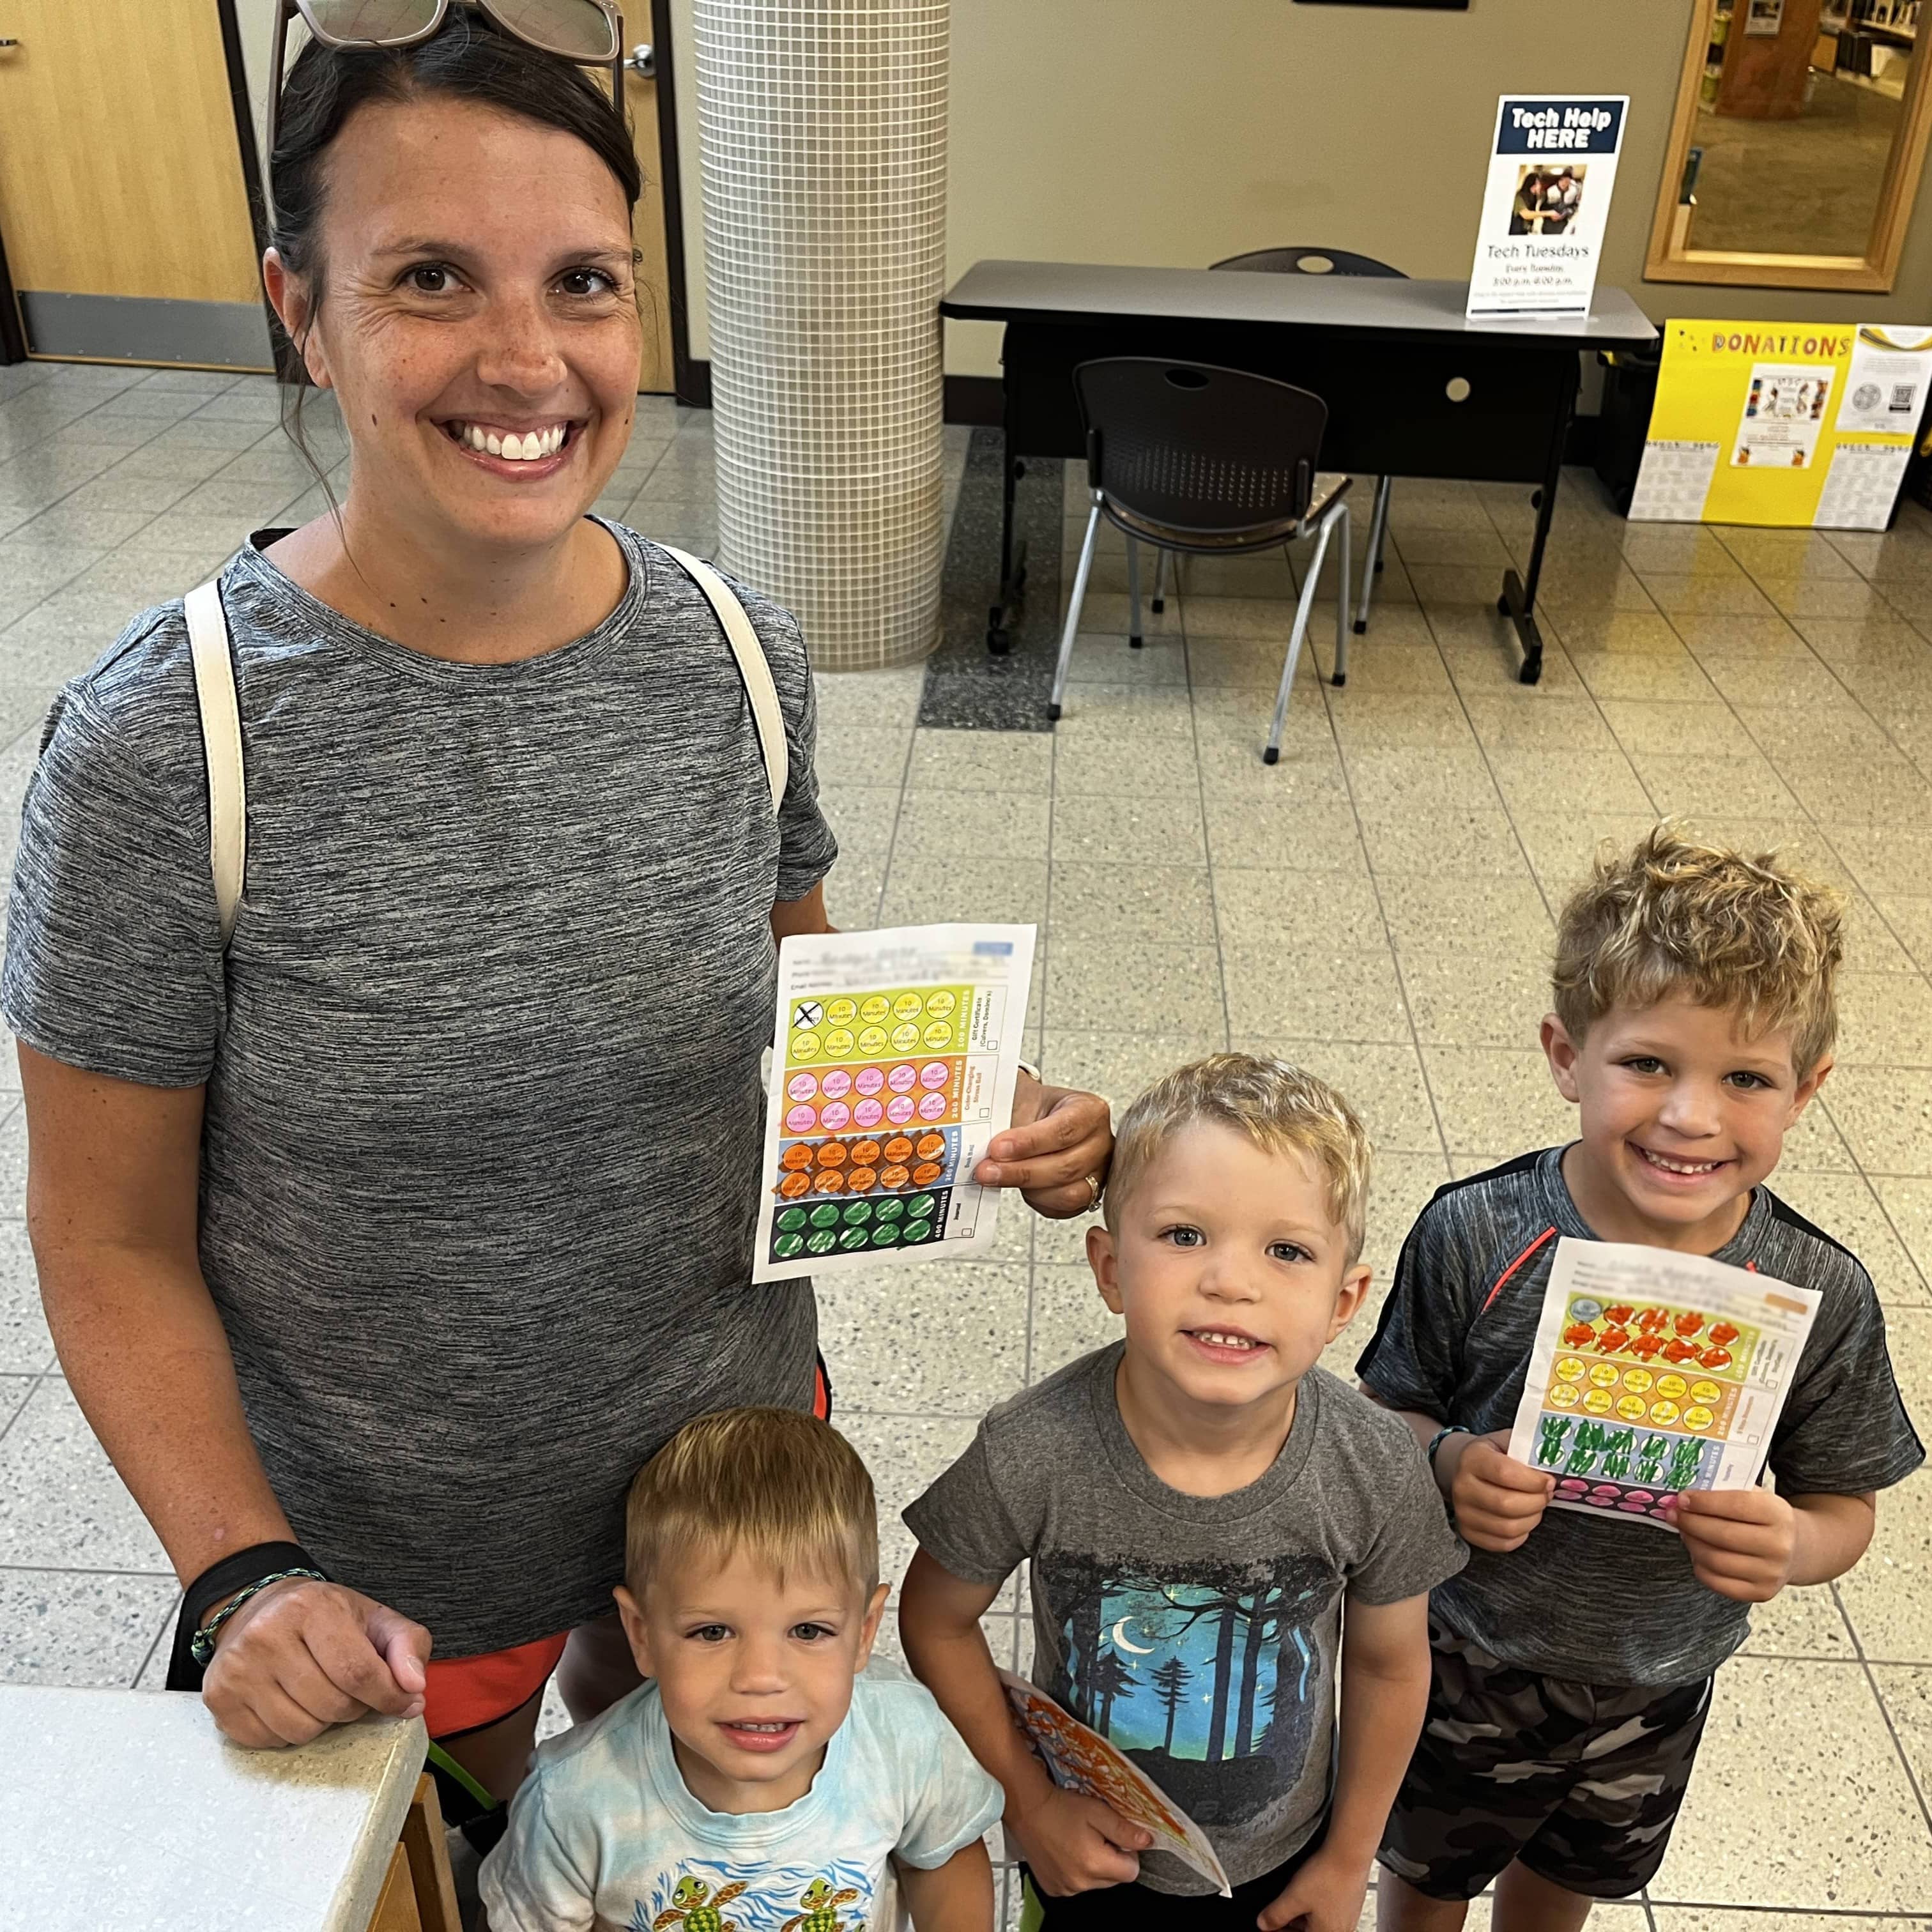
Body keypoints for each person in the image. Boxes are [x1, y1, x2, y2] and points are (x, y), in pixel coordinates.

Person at [1, 4, 1112, 1812]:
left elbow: (784, 983)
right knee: (480, 1859)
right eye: (431, 277)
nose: (529, 362)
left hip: (725, 1494)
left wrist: (974, 1102)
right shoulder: (165, 745)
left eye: (585, 283)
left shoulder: (740, 651)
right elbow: (104, 1236)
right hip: (383, 1562)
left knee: (702, 1857)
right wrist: (241, 1572)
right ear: (301, 306)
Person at [1357, 826, 1922, 1932]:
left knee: (1567, 1888)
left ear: (1805, 1089)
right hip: (1464, 1648)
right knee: (1420, 1883)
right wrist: (1444, 1458)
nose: (1688, 1115)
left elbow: (1841, 1503)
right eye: (1645, 1062)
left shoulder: (1819, 1289)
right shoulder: (1476, 1231)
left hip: (1657, 1677)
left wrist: (1789, 1543)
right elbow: (1382, 1409)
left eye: (1743, 1077)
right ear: (1564, 1053)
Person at [897, 1055, 1467, 1930]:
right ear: (1110, 1268)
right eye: (1184, 1235)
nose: (1231, 1282)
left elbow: (1391, 1664)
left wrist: (1351, 1857)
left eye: (1287, 1251)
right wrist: (1030, 1804)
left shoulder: (1374, 1465)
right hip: (1085, 1858)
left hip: (1288, 1866)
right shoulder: (1032, 1449)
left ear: (1344, 1299)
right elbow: (934, 1616)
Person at [480, 1407, 1001, 1930]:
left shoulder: (906, 1739)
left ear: (864, 1633)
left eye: (808, 1631)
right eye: (712, 1632)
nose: (760, 1678)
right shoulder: (570, 1803)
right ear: (642, 1634)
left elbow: (943, 1856)